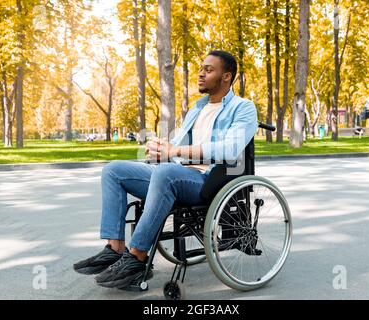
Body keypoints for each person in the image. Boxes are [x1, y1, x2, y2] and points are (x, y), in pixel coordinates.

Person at [73, 50, 258, 289]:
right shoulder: (197, 108)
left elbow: (229, 150)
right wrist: (162, 148)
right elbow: (177, 145)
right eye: (201, 68)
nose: (201, 74)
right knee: (114, 170)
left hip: (209, 179)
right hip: (177, 172)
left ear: (226, 76)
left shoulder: (243, 108)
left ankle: (137, 257)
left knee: (165, 173)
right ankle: (115, 249)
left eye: (209, 70)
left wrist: (175, 152)